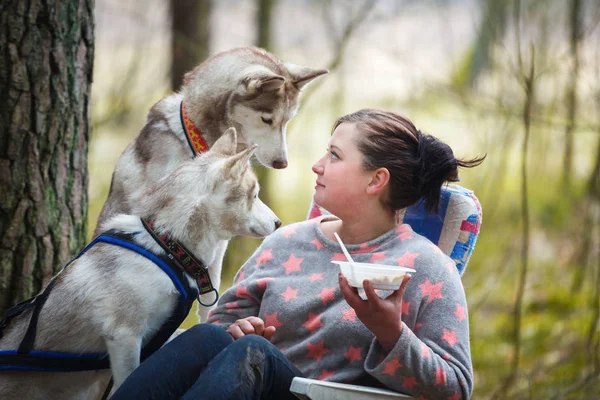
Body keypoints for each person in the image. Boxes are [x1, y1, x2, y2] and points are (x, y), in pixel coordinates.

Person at [111, 109, 484, 400]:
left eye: (335, 156)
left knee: (254, 353)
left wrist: (390, 332)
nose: (317, 164)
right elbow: (222, 326)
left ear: (376, 180)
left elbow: (454, 389)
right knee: (209, 340)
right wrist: (234, 329)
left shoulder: (427, 268)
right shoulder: (286, 242)